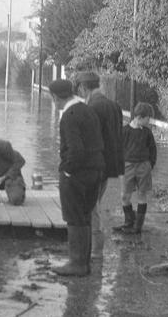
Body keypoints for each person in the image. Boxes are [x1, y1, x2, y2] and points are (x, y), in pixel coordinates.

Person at [48, 79, 105, 276]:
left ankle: (76, 263)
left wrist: (66, 171)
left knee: (74, 218)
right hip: (95, 171)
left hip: (77, 174)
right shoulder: (87, 109)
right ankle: (84, 263)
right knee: (85, 216)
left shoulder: (69, 116)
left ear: (55, 97)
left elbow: (76, 150)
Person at [75, 71, 124, 258]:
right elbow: (118, 138)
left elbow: (89, 141)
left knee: (91, 206)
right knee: (94, 203)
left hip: (95, 165)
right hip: (110, 165)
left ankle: (95, 250)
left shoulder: (92, 108)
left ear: (83, 87)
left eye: (79, 88)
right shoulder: (114, 106)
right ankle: (93, 247)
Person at [113, 102, 156, 235]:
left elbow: (153, 150)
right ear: (140, 117)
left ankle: (138, 226)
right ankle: (128, 222)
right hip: (127, 166)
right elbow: (118, 151)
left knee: (142, 194)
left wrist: (150, 165)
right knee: (124, 196)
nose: (149, 121)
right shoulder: (124, 131)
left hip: (143, 166)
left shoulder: (147, 133)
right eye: (148, 118)